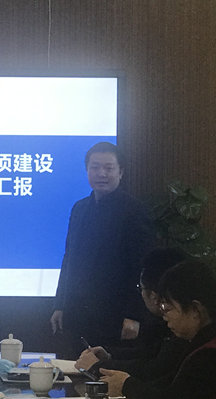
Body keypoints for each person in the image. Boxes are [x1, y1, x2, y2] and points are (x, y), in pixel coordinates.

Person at [50, 142, 155, 359]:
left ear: (121, 172)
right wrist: (60, 304)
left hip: (116, 318)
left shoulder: (134, 210)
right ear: (87, 170)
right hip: (78, 315)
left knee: (107, 373)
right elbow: (69, 259)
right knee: (77, 371)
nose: (101, 174)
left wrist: (134, 314)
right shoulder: (79, 208)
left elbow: (143, 266)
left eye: (109, 168)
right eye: (95, 167)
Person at [99, 259, 216, 398]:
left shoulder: (212, 356)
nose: (165, 317)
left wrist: (126, 386)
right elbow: (168, 383)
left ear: (195, 310)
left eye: (167, 308)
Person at [75, 247, 191, 380]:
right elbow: (146, 353)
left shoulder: (181, 329)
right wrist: (109, 356)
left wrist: (99, 366)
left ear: (154, 295)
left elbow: (154, 370)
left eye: (140, 288)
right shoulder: (159, 322)